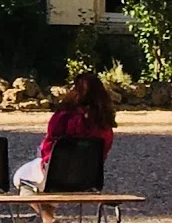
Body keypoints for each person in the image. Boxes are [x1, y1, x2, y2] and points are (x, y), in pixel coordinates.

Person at [15, 71, 117, 223]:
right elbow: (103, 153)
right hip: (88, 180)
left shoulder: (63, 117)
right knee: (48, 182)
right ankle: (48, 218)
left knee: (21, 178)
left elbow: (49, 145)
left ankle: (48, 219)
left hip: (56, 176)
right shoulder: (104, 125)